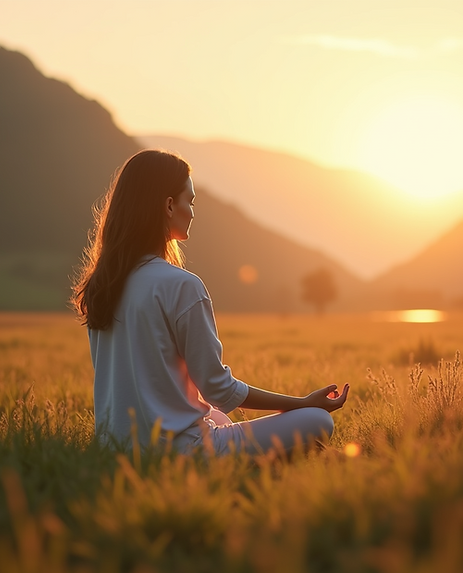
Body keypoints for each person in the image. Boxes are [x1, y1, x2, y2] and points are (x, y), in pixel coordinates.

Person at [71, 149, 349, 456]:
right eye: (189, 201)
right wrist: (302, 403)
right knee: (317, 420)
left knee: (216, 416)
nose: (192, 211)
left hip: (117, 450)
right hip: (183, 453)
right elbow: (219, 388)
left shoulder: (103, 286)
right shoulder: (181, 285)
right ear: (168, 205)